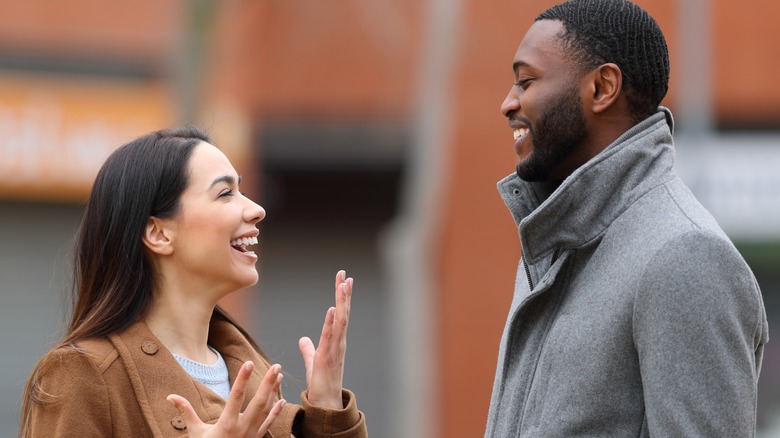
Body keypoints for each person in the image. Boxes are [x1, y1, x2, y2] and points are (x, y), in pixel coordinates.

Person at [486, 0, 769, 436]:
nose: (508, 103)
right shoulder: (553, 248)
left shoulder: (684, 257)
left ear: (602, 88)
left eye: (526, 81)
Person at [20, 127, 368, 437]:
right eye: (224, 193)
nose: (256, 209)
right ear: (158, 233)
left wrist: (327, 412)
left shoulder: (256, 381)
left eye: (241, 190)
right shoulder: (82, 376)